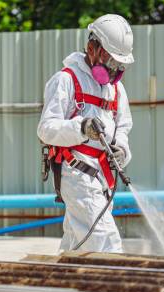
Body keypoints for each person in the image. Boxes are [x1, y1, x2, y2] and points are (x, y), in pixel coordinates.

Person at [37, 14, 134, 253]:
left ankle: (64, 280)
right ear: (91, 48)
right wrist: (81, 128)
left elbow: (123, 126)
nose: (114, 71)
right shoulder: (66, 80)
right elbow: (46, 129)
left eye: (119, 65)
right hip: (76, 170)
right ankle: (113, 285)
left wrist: (121, 148)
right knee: (103, 240)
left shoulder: (116, 89)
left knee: (77, 242)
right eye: (110, 61)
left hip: (102, 176)